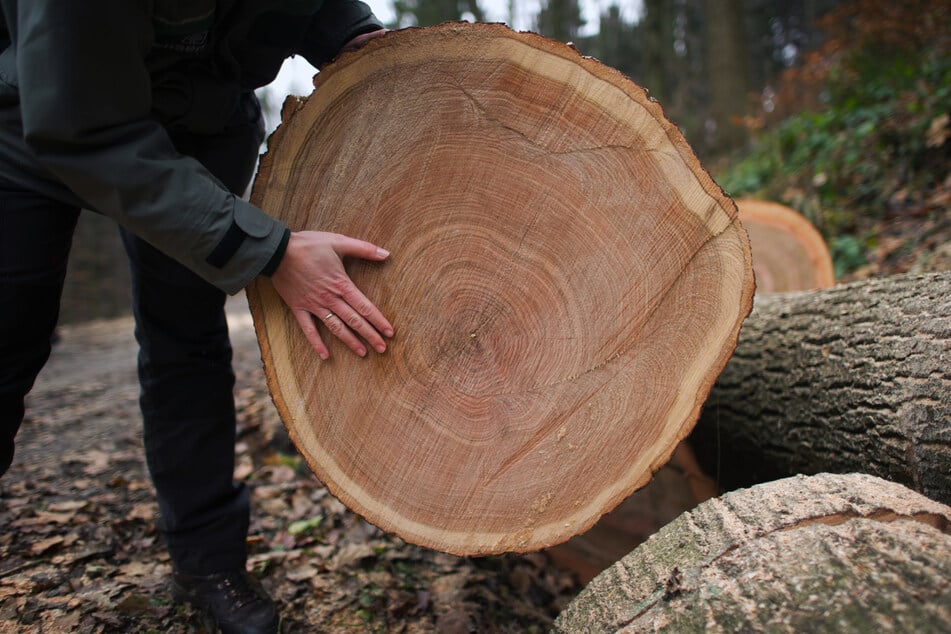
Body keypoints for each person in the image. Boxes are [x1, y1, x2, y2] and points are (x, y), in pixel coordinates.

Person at [0, 2, 395, 633]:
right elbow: (83, 125)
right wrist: (268, 252)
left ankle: (208, 566)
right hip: (34, 113)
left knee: (188, 345)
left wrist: (350, 34)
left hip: (200, 118)